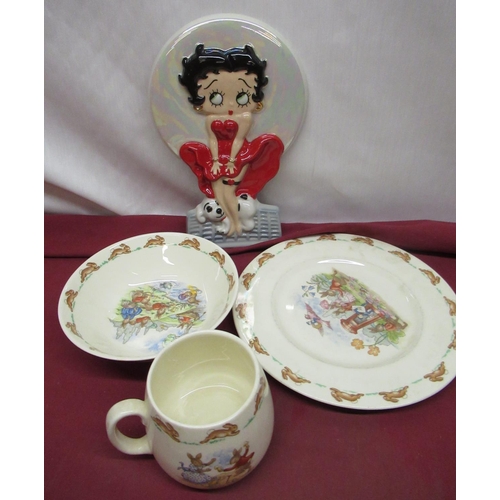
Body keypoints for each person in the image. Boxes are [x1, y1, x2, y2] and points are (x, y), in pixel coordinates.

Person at [178, 44, 284, 236]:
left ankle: (237, 225)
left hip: (239, 155)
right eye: (216, 97)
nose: (229, 104)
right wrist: (215, 161)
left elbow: (239, 140)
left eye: (242, 97)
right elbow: (212, 140)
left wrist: (233, 160)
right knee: (218, 191)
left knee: (229, 191)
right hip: (218, 157)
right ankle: (230, 224)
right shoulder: (211, 119)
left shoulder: (244, 117)